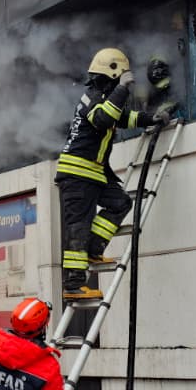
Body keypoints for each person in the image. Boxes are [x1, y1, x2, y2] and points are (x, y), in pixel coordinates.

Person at [56, 48, 170, 301]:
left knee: (121, 203)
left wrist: (153, 118)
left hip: (94, 172)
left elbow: (124, 117)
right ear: (113, 75)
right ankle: (74, 285)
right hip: (77, 175)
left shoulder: (104, 98)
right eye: (119, 79)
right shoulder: (92, 97)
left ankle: (94, 248)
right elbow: (104, 120)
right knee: (78, 226)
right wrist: (122, 89)